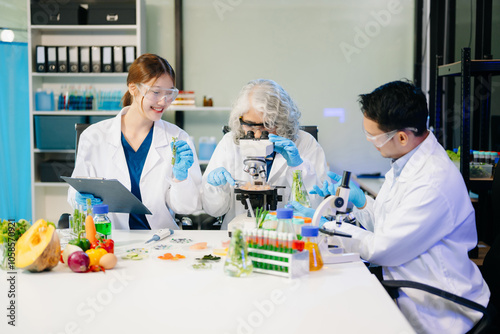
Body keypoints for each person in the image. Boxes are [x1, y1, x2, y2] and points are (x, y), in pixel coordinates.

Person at [291, 80, 490, 333]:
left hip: (442, 310)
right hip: (410, 287)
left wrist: (325, 223)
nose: (370, 141)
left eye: (373, 136)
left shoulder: (432, 181)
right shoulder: (407, 161)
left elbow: (382, 248)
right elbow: (390, 223)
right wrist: (361, 203)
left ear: (402, 136)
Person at [68, 53, 202, 230]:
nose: (164, 101)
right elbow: (76, 193)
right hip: (111, 237)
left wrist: (181, 178)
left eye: (169, 93)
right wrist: (80, 198)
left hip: (161, 240)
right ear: (133, 88)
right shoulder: (94, 136)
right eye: (156, 92)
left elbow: (186, 207)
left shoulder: (178, 138)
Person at [201, 79, 328, 229]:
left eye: (267, 125)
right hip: (239, 237)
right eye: (249, 125)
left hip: (288, 236)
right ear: (240, 119)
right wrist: (217, 188)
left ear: (282, 121)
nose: (257, 134)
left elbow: (317, 208)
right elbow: (213, 210)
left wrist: (299, 168)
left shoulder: (305, 144)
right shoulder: (229, 143)